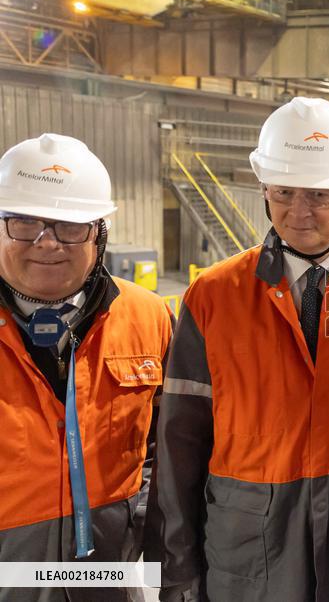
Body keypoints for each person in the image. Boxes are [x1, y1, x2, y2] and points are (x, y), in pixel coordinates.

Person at [155, 97, 329, 601]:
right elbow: (180, 440)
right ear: (264, 190)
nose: (299, 212)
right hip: (246, 542)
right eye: (283, 191)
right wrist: (177, 561)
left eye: (319, 195)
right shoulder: (214, 295)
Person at [0, 133, 173, 601]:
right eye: (24, 221)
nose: (48, 242)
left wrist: (136, 516)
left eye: (70, 225)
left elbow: (170, 441)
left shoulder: (148, 316)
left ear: (100, 232)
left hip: (109, 576)